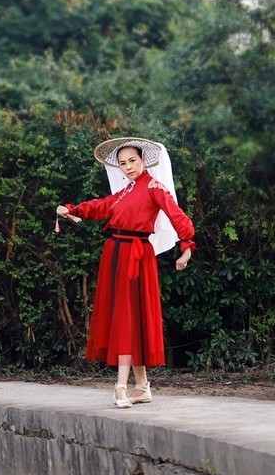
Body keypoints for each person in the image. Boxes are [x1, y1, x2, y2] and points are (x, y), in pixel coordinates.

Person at [56, 137, 196, 408]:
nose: (128, 166)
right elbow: (101, 206)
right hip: (116, 254)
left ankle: (120, 387)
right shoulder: (124, 192)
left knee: (127, 318)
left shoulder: (154, 188)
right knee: (129, 318)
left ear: (143, 161)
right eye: (123, 163)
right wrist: (72, 209)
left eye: (132, 160)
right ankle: (142, 386)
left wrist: (186, 247)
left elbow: (177, 216)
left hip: (136, 257)